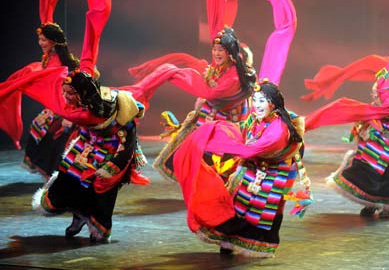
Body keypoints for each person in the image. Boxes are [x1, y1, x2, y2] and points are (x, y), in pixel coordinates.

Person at [172, 80, 312, 257]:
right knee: (237, 201)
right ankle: (228, 241)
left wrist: (214, 142)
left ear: (273, 103)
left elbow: (251, 149)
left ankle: (250, 244)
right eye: (255, 100)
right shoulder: (255, 119)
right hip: (251, 167)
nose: (257, 105)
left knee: (259, 208)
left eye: (261, 101)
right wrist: (213, 132)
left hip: (272, 173)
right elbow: (242, 134)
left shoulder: (278, 130)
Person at [32, 70, 146, 243]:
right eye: (64, 92)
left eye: (70, 93)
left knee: (100, 188)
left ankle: (97, 225)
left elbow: (128, 132)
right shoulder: (82, 103)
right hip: (86, 145)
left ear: (82, 93)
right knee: (68, 178)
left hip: (111, 148)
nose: (66, 96)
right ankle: (78, 216)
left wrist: (115, 164)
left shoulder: (108, 107)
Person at [323, 46, 389, 218]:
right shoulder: (385, 77)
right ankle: (371, 201)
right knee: (370, 159)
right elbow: (380, 105)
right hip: (384, 121)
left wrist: (377, 120)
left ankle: (388, 205)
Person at [150, 27, 257, 181]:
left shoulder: (235, 75)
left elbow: (215, 95)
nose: (216, 53)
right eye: (214, 49)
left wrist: (177, 76)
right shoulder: (221, 69)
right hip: (209, 121)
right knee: (193, 160)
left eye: (221, 50)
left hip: (225, 126)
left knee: (215, 166)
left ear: (230, 52)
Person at [22, 22, 81, 179]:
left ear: (54, 41)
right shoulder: (51, 57)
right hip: (55, 104)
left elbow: (63, 86)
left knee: (51, 135)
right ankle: (48, 171)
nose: (40, 43)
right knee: (37, 126)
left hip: (65, 105)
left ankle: (52, 174)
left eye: (44, 40)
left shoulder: (57, 60)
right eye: (40, 39)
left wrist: (66, 114)